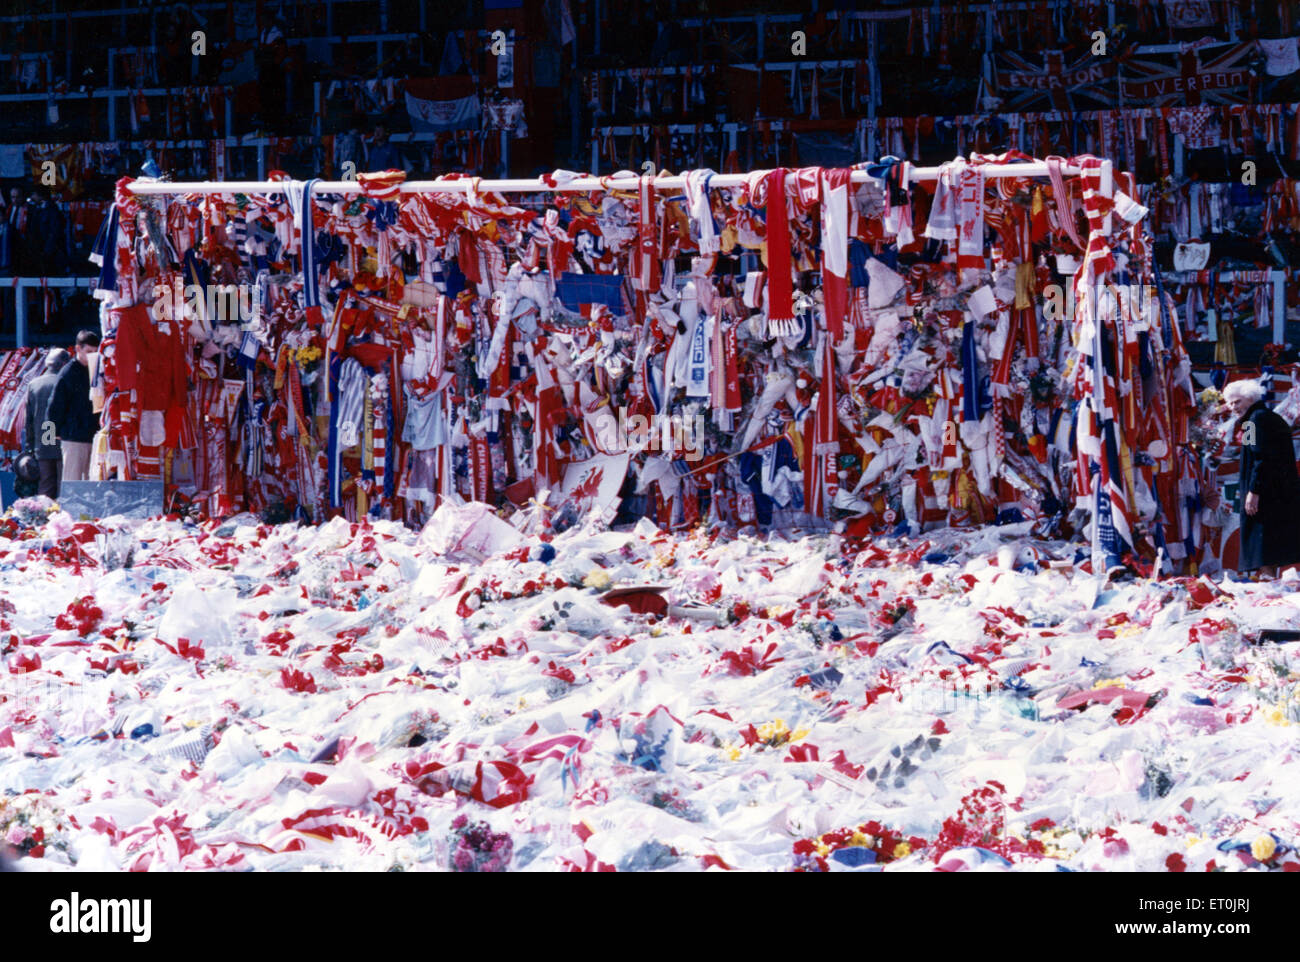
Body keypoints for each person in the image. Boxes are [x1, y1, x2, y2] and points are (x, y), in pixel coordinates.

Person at [1223, 378, 1300, 578]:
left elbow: (1260, 457)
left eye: (1237, 401)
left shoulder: (1254, 422)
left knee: (1262, 546)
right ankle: (1268, 581)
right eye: (1230, 403)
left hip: (1265, 494)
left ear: (1249, 398)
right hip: (1278, 492)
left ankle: (1267, 584)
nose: (1233, 407)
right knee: (1271, 547)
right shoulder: (1264, 418)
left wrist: (1253, 490)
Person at [46, 330, 101, 485]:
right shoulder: (67, 372)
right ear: (78, 349)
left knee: (92, 485)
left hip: (93, 437)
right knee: (72, 484)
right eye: (89, 351)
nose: (93, 356)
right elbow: (53, 406)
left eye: (95, 352)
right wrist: (49, 440)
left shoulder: (96, 370)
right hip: (74, 438)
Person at [23, 348, 71, 498]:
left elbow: (28, 421)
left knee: (45, 488)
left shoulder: (34, 385)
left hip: (43, 444)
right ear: (64, 363)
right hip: (64, 442)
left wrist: (30, 446)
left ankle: (43, 518)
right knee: (65, 489)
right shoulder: (67, 382)